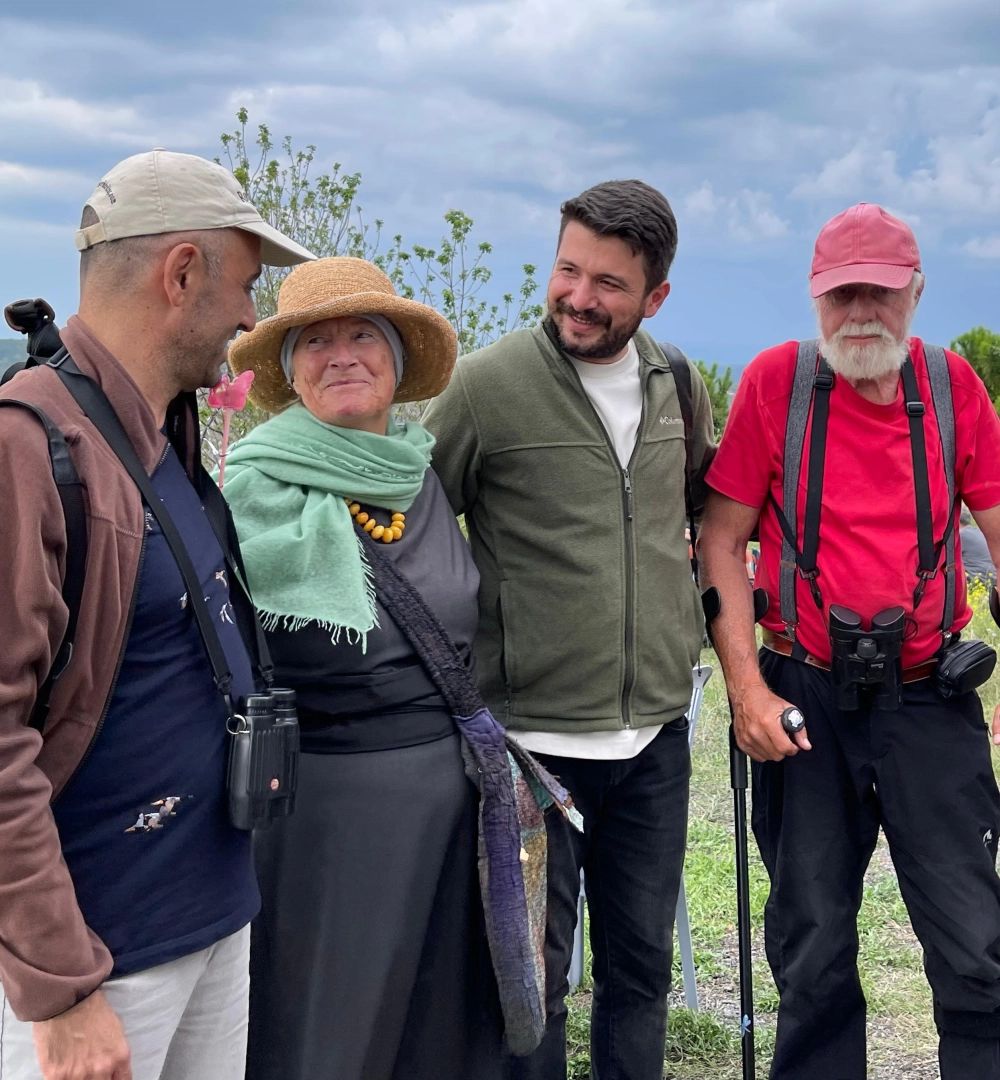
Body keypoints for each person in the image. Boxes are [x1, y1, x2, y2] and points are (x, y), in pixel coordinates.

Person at [0, 150, 313, 1080]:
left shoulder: (157, 432)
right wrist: (59, 988)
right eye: (247, 285)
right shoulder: (16, 453)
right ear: (182, 272)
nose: (253, 317)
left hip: (210, 922)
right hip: (101, 961)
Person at [697, 202, 1000, 1080]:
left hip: (932, 695)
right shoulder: (775, 384)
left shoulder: (948, 385)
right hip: (805, 695)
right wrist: (748, 691)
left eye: (881, 293)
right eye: (842, 293)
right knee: (812, 938)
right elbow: (719, 540)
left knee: (972, 939)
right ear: (816, 297)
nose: (861, 312)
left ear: (917, 292)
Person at [423, 179, 716, 1080]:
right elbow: (417, 527)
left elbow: (704, 516)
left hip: (655, 740)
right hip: (529, 752)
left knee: (641, 972)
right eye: (567, 269)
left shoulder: (678, 384)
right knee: (533, 983)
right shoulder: (485, 387)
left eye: (609, 284)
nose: (579, 298)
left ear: (655, 296)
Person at [221, 256, 503, 1079]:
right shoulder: (252, 487)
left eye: (361, 335)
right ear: (290, 371)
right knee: (328, 1028)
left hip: (448, 804)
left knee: (435, 1023)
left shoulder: (420, 472)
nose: (342, 354)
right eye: (316, 341)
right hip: (323, 811)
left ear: (395, 357)